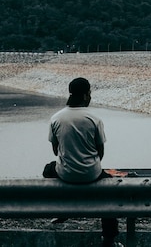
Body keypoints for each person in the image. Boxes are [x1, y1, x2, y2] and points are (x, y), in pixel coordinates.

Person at [44, 77, 121, 247]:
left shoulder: (56, 118)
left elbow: (56, 151)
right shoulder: (94, 119)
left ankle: (62, 209)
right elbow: (100, 152)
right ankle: (108, 239)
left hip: (65, 173)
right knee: (108, 194)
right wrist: (89, 165)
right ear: (86, 95)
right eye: (90, 93)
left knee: (48, 169)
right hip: (91, 173)